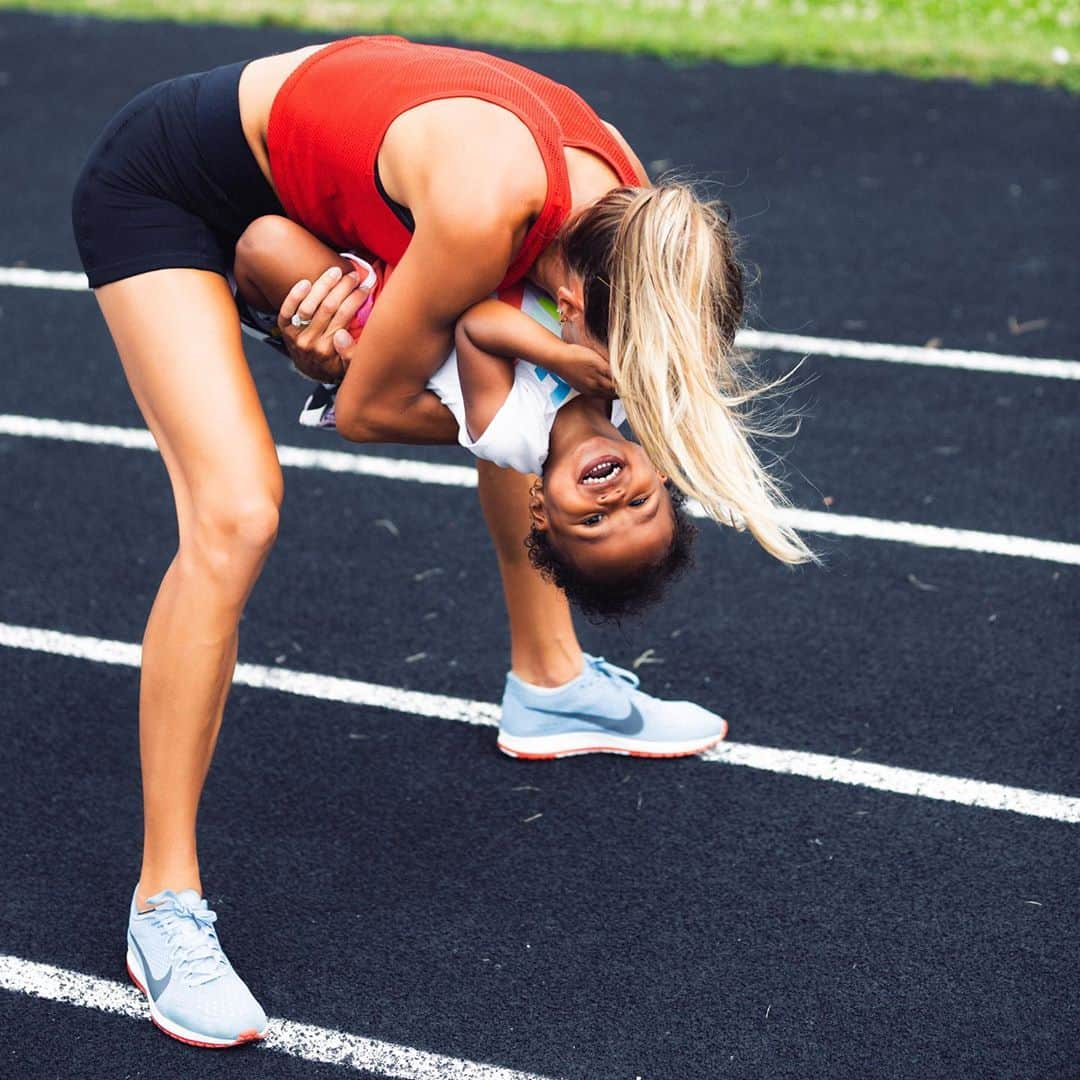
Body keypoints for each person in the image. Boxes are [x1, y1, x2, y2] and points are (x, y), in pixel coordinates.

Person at [71, 35, 809, 1049]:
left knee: (555, 418)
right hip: (169, 182)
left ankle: (550, 686)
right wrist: (364, 363)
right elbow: (373, 411)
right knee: (237, 511)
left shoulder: (631, 214)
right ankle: (163, 906)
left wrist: (557, 409)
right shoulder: (486, 216)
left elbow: (516, 380)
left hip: (328, 200)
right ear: (583, 304)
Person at [230, 214, 696, 620]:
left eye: (592, 523)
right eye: (638, 505)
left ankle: (232, 284)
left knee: (265, 244)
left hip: (385, 312)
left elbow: (479, 325)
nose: (611, 500)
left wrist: (561, 357)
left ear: (540, 512)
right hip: (464, 256)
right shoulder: (623, 393)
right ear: (657, 471)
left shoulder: (512, 435)